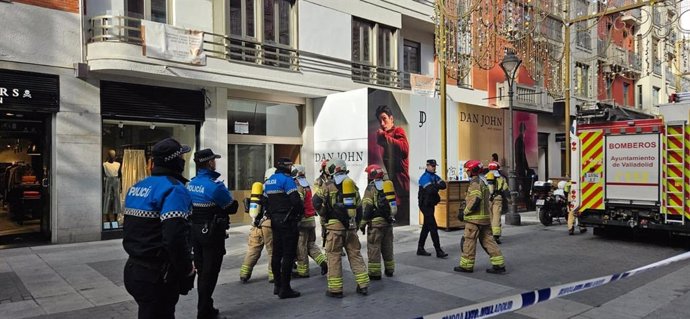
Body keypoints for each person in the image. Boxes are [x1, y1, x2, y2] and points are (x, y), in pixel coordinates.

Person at [122, 138, 196, 319]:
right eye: (181, 156)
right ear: (176, 161)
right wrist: (187, 269)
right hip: (157, 274)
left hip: (133, 269)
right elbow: (174, 237)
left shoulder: (137, 187)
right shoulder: (174, 189)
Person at [188, 149, 238, 319]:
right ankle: (204, 311)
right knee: (210, 272)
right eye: (214, 160)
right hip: (212, 234)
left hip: (195, 232)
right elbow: (231, 207)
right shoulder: (214, 186)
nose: (215, 163)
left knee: (202, 271)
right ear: (210, 163)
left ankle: (206, 306)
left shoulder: (190, 184)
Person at [312, 159, 369, 298]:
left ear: (333, 169)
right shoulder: (352, 185)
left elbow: (315, 201)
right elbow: (360, 208)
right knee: (355, 254)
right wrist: (356, 225)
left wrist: (324, 214)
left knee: (333, 256)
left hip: (334, 228)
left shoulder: (328, 185)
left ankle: (335, 290)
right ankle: (363, 286)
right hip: (350, 227)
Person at [454, 160, 506, 274]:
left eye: (468, 170)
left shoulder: (475, 183)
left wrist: (465, 212)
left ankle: (466, 266)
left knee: (469, 241)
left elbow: (475, 199)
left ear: (472, 171)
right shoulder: (484, 181)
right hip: (485, 219)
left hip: (474, 220)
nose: (466, 172)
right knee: (489, 241)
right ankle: (499, 264)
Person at [264, 158, 303, 299]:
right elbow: (296, 201)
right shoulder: (287, 180)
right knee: (288, 254)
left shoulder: (269, 181)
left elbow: (265, 201)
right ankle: (285, 288)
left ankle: (277, 285)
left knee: (276, 253)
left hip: (275, 221)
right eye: (290, 165)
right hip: (288, 221)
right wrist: (300, 212)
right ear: (286, 167)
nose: (291, 167)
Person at [374, 105, 410, 223]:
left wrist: (385, 137)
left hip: (402, 181)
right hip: (393, 181)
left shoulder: (398, 131)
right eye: (380, 121)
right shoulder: (383, 136)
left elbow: (404, 149)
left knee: (403, 214)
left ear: (391, 119)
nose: (382, 123)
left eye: (384, 119)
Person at [291, 164, 328, 278]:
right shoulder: (306, 184)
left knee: (301, 246)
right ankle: (323, 262)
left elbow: (299, 204)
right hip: (311, 220)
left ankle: (303, 271)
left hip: (302, 221)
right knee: (310, 244)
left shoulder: (298, 185)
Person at [239, 168, 275, 284]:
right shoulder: (274, 189)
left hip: (256, 225)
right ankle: (273, 275)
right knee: (272, 251)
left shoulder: (259, 189)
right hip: (268, 224)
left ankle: (244, 274)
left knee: (253, 250)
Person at [360, 164, 395, 280]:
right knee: (388, 247)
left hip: (375, 225)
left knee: (374, 248)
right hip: (387, 223)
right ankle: (390, 269)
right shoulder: (388, 185)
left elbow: (367, 208)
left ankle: (375, 273)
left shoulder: (370, 188)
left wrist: (362, 223)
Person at [417, 159, 448, 258]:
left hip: (430, 204)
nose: (434, 167)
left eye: (435, 166)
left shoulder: (434, 176)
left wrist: (435, 186)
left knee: (426, 227)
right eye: (432, 166)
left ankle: (420, 248)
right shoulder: (424, 177)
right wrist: (436, 186)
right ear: (427, 166)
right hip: (425, 205)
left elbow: (444, 185)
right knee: (433, 227)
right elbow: (430, 190)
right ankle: (438, 250)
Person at [486, 161, 508, 244]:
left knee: (490, 217)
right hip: (497, 198)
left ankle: (489, 235)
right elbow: (505, 189)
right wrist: (509, 199)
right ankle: (496, 236)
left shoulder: (485, 177)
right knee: (496, 217)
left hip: (487, 198)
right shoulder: (501, 178)